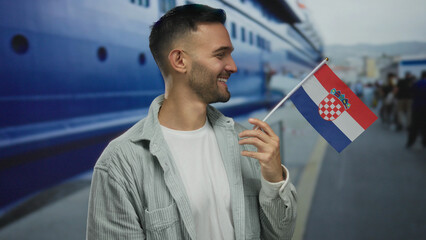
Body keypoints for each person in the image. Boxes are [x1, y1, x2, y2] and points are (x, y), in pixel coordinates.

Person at [86, 4, 297, 240]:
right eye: (220, 54)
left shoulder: (247, 145)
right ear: (179, 60)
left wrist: (274, 179)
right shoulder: (119, 163)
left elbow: (280, 236)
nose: (233, 66)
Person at [406, 70, 426, 148]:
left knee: (415, 125)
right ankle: (424, 141)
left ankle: (410, 142)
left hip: (417, 107)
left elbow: (411, 93)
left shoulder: (416, 83)